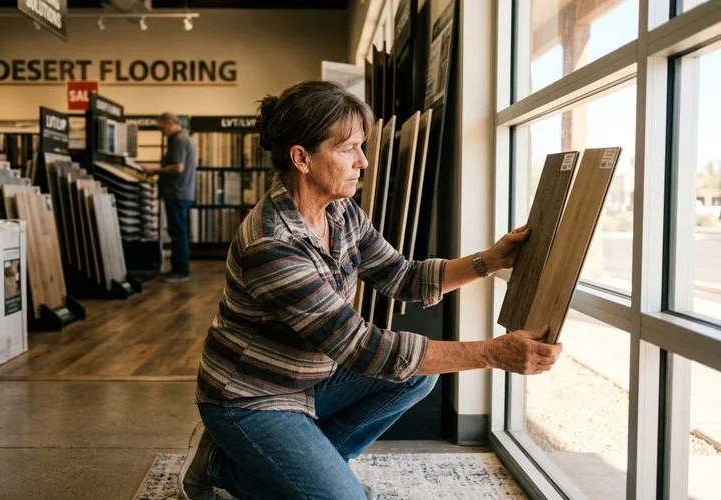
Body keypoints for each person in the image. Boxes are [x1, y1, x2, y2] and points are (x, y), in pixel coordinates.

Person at [178, 81, 562, 500]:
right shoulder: (273, 244)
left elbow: (404, 276)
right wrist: (492, 353)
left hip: (308, 377)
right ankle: (221, 465)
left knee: (415, 379)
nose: (363, 160)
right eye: (348, 149)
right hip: (251, 396)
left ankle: (301, 464)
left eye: (362, 146)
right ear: (301, 158)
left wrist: (488, 260)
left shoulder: (340, 211)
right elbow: (361, 347)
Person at [144, 112, 197, 283]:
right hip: (183, 193)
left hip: (177, 193)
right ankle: (180, 269)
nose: (162, 131)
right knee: (179, 231)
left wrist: (155, 170)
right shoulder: (185, 138)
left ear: (170, 123)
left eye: (162, 127)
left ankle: (180, 271)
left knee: (177, 232)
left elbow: (178, 167)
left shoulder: (179, 141)